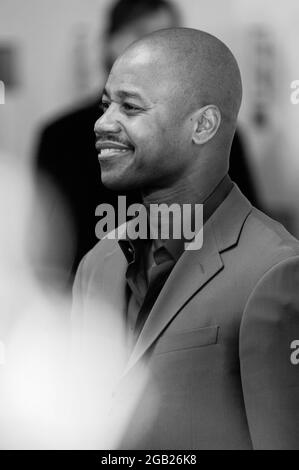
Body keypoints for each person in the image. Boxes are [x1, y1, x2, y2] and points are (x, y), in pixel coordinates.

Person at [72, 28, 299, 450]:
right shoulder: (97, 263)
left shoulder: (276, 271)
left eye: (130, 106)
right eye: (106, 104)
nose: (103, 123)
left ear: (203, 125)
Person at [35, 0, 259, 280]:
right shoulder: (61, 137)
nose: (153, 48)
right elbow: (46, 243)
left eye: (165, 35)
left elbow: (244, 227)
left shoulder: (218, 132)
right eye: (140, 33)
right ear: (108, 43)